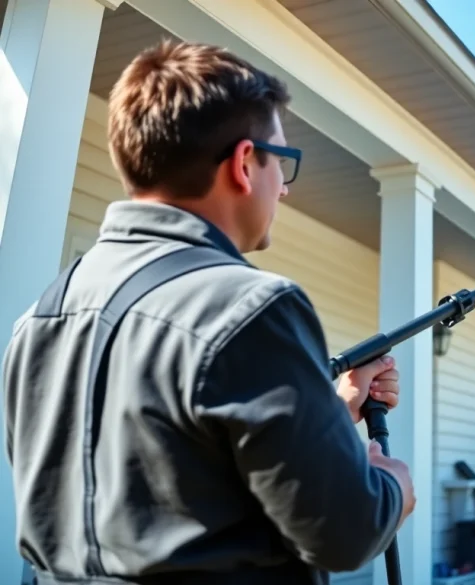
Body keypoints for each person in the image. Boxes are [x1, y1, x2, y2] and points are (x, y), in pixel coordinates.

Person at [2, 40, 414, 585]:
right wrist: (391, 485)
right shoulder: (251, 308)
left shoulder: (36, 322)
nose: (283, 192)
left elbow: (175, 486)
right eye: (282, 163)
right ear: (245, 164)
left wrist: (330, 416)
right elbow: (343, 530)